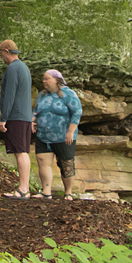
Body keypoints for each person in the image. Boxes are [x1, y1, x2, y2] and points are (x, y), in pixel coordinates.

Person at [33, 68, 85, 199]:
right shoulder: (42, 95)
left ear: (57, 80)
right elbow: (36, 111)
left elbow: (77, 112)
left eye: (47, 79)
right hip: (43, 136)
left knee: (66, 164)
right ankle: (46, 192)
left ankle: (68, 192)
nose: (44, 81)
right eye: (43, 79)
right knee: (42, 161)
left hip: (64, 136)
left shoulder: (68, 94)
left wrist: (71, 132)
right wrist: (32, 121)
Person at [0, 38, 34, 197]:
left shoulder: (12, 68)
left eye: (1, 54)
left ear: (6, 51)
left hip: (16, 116)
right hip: (25, 116)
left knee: (20, 152)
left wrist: (4, 118)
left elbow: (10, 95)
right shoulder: (24, 68)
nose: (1, 58)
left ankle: (23, 189)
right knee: (23, 151)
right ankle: (25, 188)